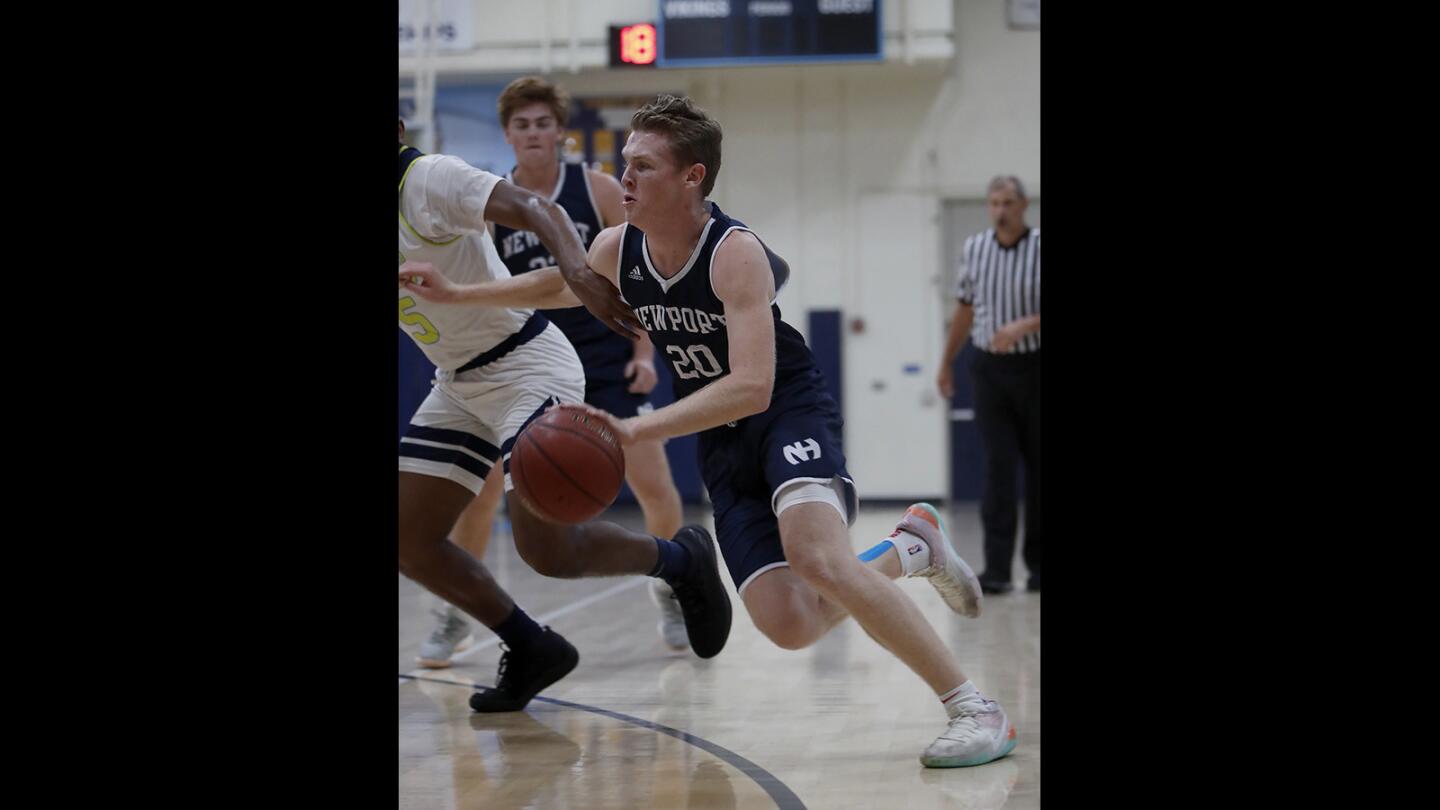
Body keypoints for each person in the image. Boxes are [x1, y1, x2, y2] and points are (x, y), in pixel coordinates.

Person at [579, 96, 1016, 768]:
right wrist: (453, 295)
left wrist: (640, 427)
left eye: (641, 164)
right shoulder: (617, 248)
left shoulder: (734, 252)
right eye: (623, 164)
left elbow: (753, 383)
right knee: (789, 624)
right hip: (722, 442)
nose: (624, 178)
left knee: (818, 558)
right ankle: (911, 549)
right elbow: (556, 284)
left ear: (692, 176)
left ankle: (973, 707)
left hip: (785, 412)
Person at [395, 120, 732, 714]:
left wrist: (578, 270)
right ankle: (530, 646)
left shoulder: (427, 179)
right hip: (457, 384)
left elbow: (530, 205)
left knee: (546, 551)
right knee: (408, 538)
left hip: (527, 365)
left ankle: (680, 559)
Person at [936, 175, 1041, 594]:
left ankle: (1038, 568)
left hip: (1034, 366)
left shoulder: (1039, 246)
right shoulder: (975, 249)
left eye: (1008, 203)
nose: (1000, 210)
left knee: (1037, 471)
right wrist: (947, 362)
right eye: (994, 203)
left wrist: (1027, 323)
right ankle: (996, 569)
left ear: (1024, 204)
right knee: (998, 470)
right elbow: (964, 310)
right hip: (989, 370)